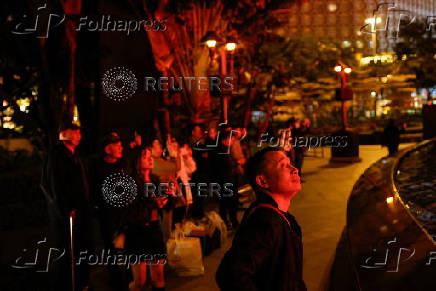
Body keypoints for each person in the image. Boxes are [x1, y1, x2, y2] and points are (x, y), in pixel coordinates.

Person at [216, 147, 306, 291]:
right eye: (283, 165)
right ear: (263, 181)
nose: (294, 169)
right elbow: (231, 274)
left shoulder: (280, 217)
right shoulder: (265, 221)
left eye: (291, 163)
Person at [41, 120, 91, 291]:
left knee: (80, 249)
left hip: (81, 212)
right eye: (74, 131)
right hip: (65, 214)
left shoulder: (76, 156)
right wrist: (65, 207)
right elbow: (54, 185)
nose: (79, 135)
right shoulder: (55, 156)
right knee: (66, 252)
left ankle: (81, 282)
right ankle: (66, 285)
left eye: (79, 131)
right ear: (64, 134)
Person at [120, 145, 168, 291]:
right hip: (137, 231)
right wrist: (154, 201)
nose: (150, 159)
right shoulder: (130, 182)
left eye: (150, 156)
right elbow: (132, 205)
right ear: (137, 161)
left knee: (159, 276)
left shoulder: (155, 179)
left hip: (154, 229)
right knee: (140, 281)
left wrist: (165, 199)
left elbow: (161, 200)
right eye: (145, 157)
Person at [91, 132, 127, 290]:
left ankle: (127, 278)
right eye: (117, 145)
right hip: (108, 215)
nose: (121, 148)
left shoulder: (121, 165)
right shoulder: (98, 168)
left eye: (121, 145)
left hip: (124, 215)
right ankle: (116, 281)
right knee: (113, 250)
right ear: (107, 148)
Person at [211, 130, 240, 229]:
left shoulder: (226, 149)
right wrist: (237, 163)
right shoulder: (221, 151)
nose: (232, 141)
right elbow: (227, 164)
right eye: (231, 138)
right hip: (225, 180)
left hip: (228, 179)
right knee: (228, 203)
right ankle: (228, 222)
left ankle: (231, 221)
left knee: (228, 202)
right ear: (225, 140)